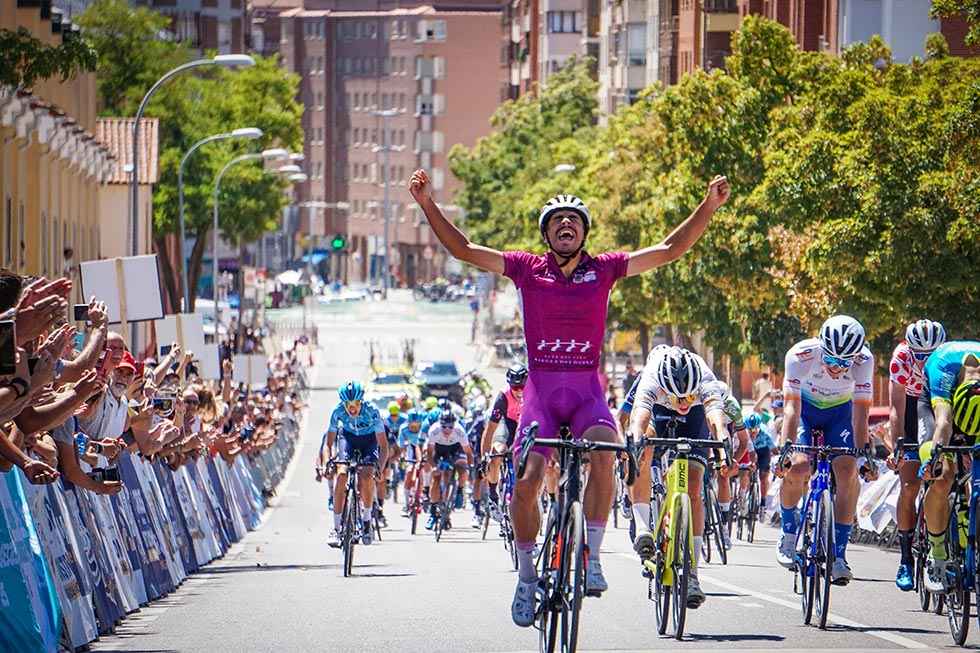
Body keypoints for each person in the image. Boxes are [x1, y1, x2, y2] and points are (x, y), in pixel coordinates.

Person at [410, 168, 730, 626]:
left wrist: (709, 205)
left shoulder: (604, 270)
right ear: (547, 232)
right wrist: (427, 205)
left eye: (574, 220)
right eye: (557, 220)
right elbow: (463, 250)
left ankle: (593, 557)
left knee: (605, 452)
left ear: (584, 232)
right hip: (542, 393)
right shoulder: (525, 268)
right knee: (526, 483)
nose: (566, 225)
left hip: (586, 394)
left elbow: (668, 250)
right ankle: (525, 578)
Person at [775, 315, 876, 586]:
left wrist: (864, 454)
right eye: (831, 360)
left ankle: (840, 554)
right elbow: (791, 409)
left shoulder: (864, 361)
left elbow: (861, 415)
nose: (836, 367)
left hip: (840, 415)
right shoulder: (801, 355)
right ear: (822, 349)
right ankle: (787, 532)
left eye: (844, 363)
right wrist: (785, 449)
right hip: (805, 411)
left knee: (847, 471)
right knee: (798, 466)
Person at [628, 347, 729, 608]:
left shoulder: (705, 378)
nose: (683, 402)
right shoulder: (651, 377)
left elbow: (716, 419)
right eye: (679, 397)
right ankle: (642, 528)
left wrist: (722, 444)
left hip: (696, 420)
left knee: (694, 486)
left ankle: (692, 572)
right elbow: (639, 418)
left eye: (689, 396)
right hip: (660, 413)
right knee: (644, 446)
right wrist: (636, 441)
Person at [884, 319, 946, 592]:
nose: (924, 361)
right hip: (910, 408)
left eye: (930, 355)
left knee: (945, 476)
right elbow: (896, 408)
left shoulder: (947, 360)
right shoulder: (900, 358)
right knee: (909, 487)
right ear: (910, 349)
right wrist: (899, 444)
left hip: (939, 404)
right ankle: (906, 558)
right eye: (919, 355)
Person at [916, 341, 980, 592]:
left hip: (973, 412)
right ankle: (937, 553)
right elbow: (943, 424)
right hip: (939, 413)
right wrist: (934, 460)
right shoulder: (943, 369)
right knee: (943, 475)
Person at [321, 382, 388, 548]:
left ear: (361, 402)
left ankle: (366, 520)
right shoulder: (337, 412)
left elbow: (384, 446)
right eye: (348, 405)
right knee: (342, 475)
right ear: (343, 404)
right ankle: (336, 529)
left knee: (366, 476)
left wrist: (380, 466)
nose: (352, 409)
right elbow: (328, 444)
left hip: (369, 442)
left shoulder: (372, 411)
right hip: (348, 440)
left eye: (356, 404)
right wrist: (327, 462)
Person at [481, 363, 527, 522]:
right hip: (506, 424)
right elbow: (490, 431)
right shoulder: (503, 397)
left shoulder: (534, 394)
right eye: (515, 387)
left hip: (524, 425)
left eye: (522, 386)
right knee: (497, 452)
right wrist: (484, 457)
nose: (519, 390)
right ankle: (493, 495)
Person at [425, 410, 473, 530]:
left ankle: (460, 491)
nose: (447, 429)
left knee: (462, 468)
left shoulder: (460, 432)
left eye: (450, 427)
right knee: (436, 477)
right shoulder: (434, 431)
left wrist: (470, 468)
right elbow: (430, 454)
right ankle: (432, 512)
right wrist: (434, 466)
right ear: (439, 424)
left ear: (454, 425)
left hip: (456, 449)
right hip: (440, 450)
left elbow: (468, 453)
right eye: (444, 426)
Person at [398, 408, 427, 516]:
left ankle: (421, 495)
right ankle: (406, 504)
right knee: (410, 471)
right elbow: (401, 446)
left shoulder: (424, 429)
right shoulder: (403, 429)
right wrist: (402, 456)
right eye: (412, 425)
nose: (414, 428)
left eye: (417, 425)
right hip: (410, 449)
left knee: (422, 474)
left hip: (421, 449)